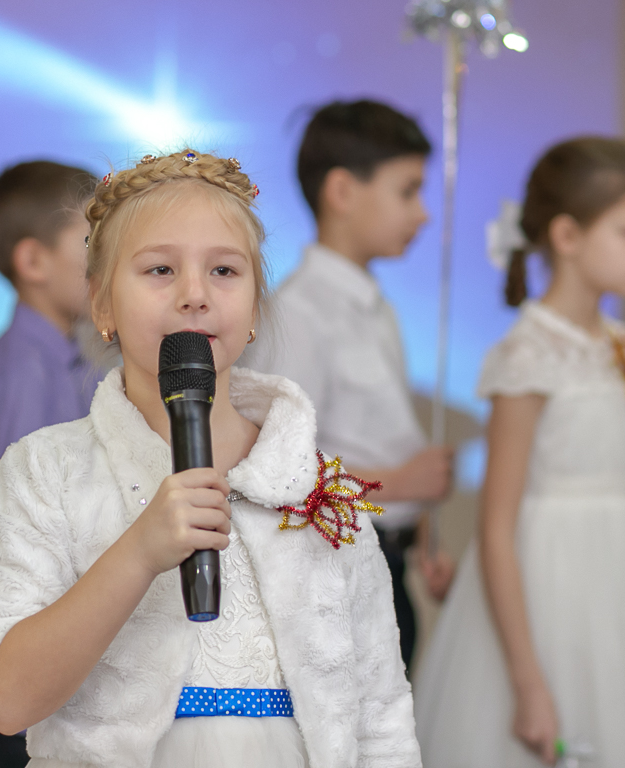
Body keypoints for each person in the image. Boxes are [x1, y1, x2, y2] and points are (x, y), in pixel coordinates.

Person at [0, 150, 421, 768]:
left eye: (225, 270)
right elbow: (7, 700)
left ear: (255, 307)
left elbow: (382, 719)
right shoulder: (46, 472)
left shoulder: (318, 487)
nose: (195, 295)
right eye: (160, 270)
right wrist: (138, 553)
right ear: (101, 302)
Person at [413, 137, 625, 767]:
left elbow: (622, 560)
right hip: (547, 598)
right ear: (567, 235)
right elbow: (496, 531)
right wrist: (529, 684)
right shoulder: (528, 355)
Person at [244, 100, 454, 669]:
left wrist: (423, 530)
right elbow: (277, 470)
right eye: (407, 191)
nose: (423, 214)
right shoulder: (300, 315)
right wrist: (401, 484)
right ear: (342, 191)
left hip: (386, 564)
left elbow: (374, 436)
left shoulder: (375, 308)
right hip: (332, 576)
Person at [0, 160, 101, 768]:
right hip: (14, 699)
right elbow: (31, 544)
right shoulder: (21, 379)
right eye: (91, 240)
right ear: (33, 261)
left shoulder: (61, 367)